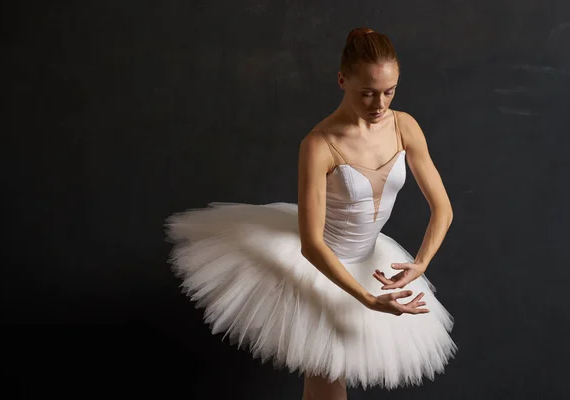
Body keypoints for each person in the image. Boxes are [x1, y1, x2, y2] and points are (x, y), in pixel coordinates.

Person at [165, 27, 457, 400]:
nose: (379, 104)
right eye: (367, 92)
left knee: (330, 379)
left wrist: (421, 263)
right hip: (321, 267)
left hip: (373, 261)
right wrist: (365, 299)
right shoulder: (319, 145)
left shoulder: (405, 127)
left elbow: (443, 208)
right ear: (342, 80)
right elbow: (311, 245)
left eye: (389, 91)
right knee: (325, 382)